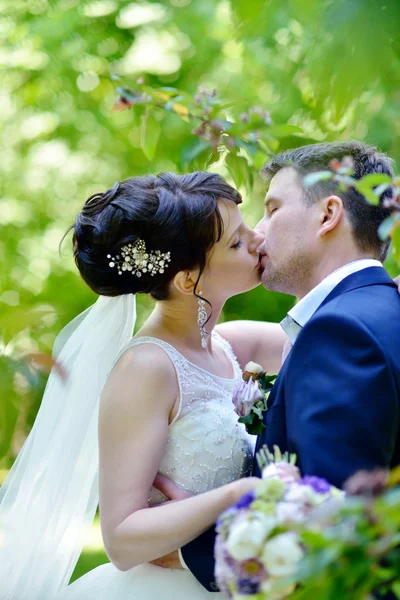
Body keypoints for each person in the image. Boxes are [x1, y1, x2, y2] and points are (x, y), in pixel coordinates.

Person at [0, 171, 288, 600]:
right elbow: (120, 538)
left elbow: (331, 336)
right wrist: (240, 495)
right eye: (236, 241)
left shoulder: (229, 345)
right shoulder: (147, 369)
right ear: (188, 281)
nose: (259, 239)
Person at [172, 141, 400, 592]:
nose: (257, 231)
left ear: (328, 214)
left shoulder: (340, 333)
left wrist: (185, 536)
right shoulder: (379, 310)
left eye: (273, 208)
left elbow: (327, 541)